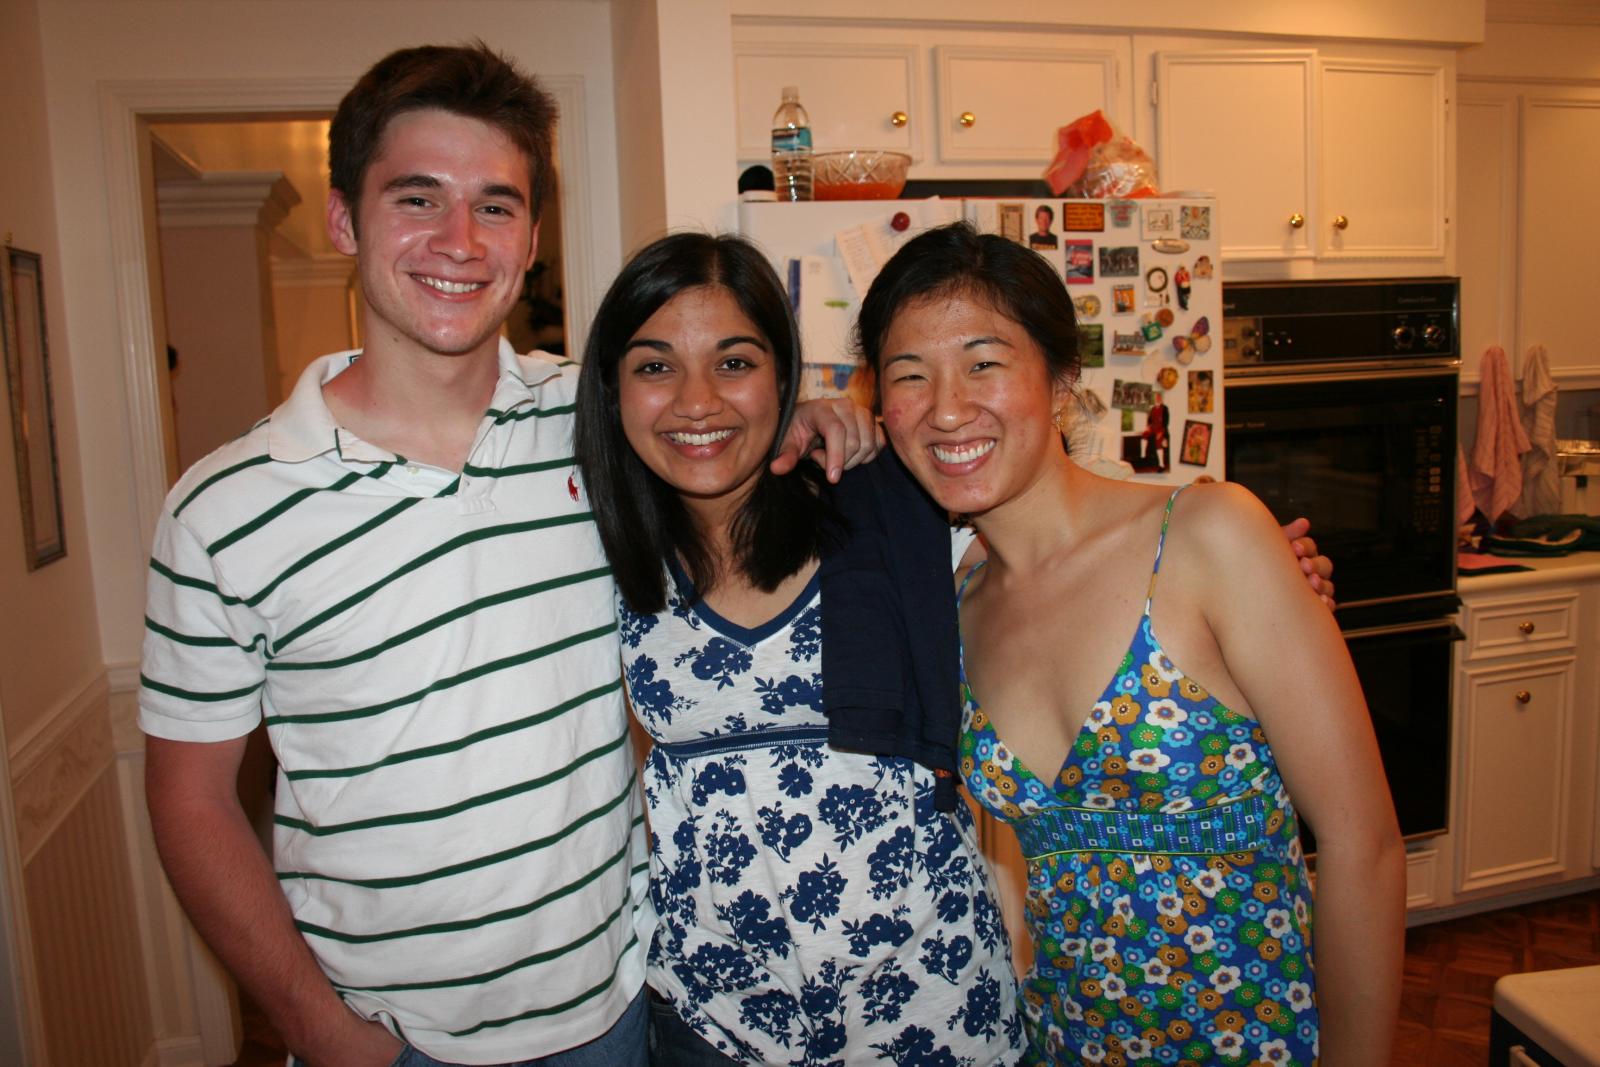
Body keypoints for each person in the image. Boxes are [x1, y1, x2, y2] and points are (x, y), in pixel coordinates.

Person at [138, 44, 872, 1067]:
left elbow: (719, 427)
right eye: (417, 198)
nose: (458, 240)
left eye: (495, 204)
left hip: (615, 1011)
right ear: (347, 218)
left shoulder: (605, 429)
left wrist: (816, 416)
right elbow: (190, 796)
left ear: (532, 237)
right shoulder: (222, 508)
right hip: (384, 1037)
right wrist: (321, 1031)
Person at [857, 223, 1404, 1066]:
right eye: (908, 376)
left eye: (984, 362)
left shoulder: (1209, 536)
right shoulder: (953, 607)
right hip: (1067, 1045)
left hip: (1263, 1046)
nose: (948, 407)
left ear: (1062, 378)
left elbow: (1363, 844)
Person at [573, 232, 1023, 1065]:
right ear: (612, 390)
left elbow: (1060, 559)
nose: (696, 401)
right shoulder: (596, 552)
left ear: (785, 377)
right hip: (718, 1022)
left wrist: (1207, 565)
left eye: (735, 362)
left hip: (932, 1004)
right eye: (655, 365)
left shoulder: (889, 507)